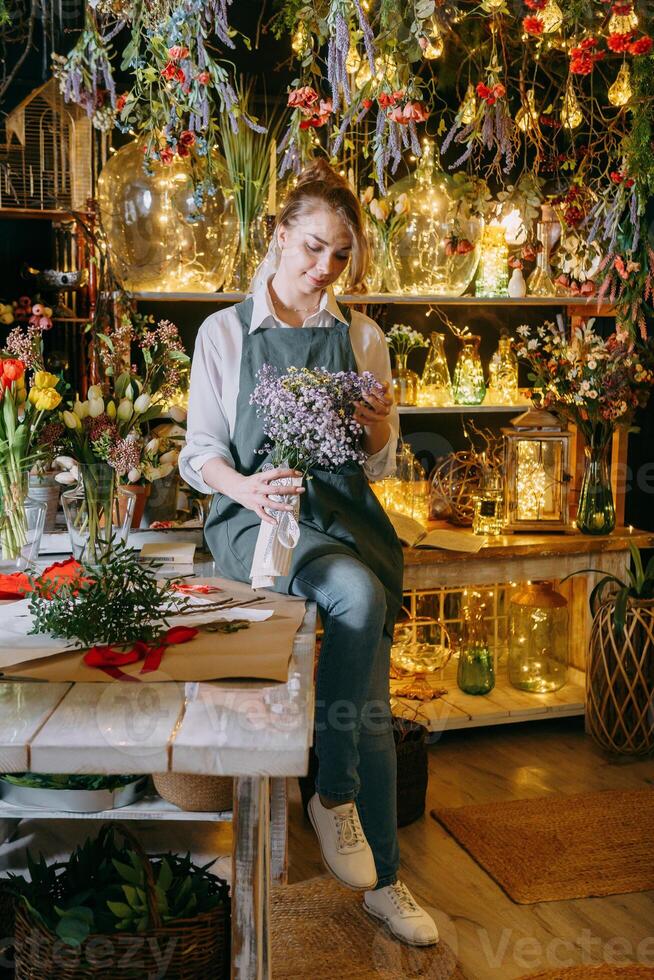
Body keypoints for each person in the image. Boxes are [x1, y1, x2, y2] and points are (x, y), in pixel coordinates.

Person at [179, 159, 438, 947]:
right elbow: (199, 455)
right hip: (256, 519)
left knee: (367, 695)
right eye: (312, 249)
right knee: (358, 600)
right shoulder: (225, 333)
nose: (324, 270)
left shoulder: (362, 337)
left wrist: (378, 423)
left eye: (340, 257)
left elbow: (377, 462)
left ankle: (380, 875)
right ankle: (332, 800)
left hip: (342, 517)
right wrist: (250, 492)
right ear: (280, 235)